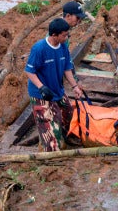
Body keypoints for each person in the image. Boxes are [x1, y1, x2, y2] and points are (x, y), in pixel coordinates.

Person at [25, 18, 83, 152]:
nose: (66, 37)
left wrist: (75, 87)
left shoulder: (63, 47)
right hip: (41, 94)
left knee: (68, 112)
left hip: (57, 90)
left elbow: (67, 68)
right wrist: (41, 87)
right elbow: (29, 71)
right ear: (54, 35)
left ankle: (64, 137)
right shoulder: (39, 48)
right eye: (64, 35)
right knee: (49, 122)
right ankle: (50, 147)